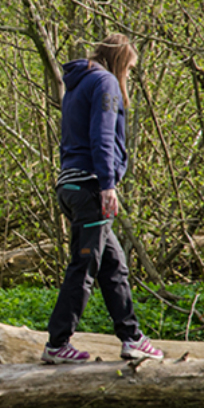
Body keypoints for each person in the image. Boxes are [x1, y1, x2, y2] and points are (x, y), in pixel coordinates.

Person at [42, 34, 164, 365]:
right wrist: (108, 184)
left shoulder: (78, 84)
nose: (130, 76)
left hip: (70, 186)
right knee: (84, 267)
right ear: (121, 61)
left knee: (113, 266)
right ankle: (57, 342)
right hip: (91, 188)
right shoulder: (106, 82)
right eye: (131, 69)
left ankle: (132, 338)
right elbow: (102, 134)